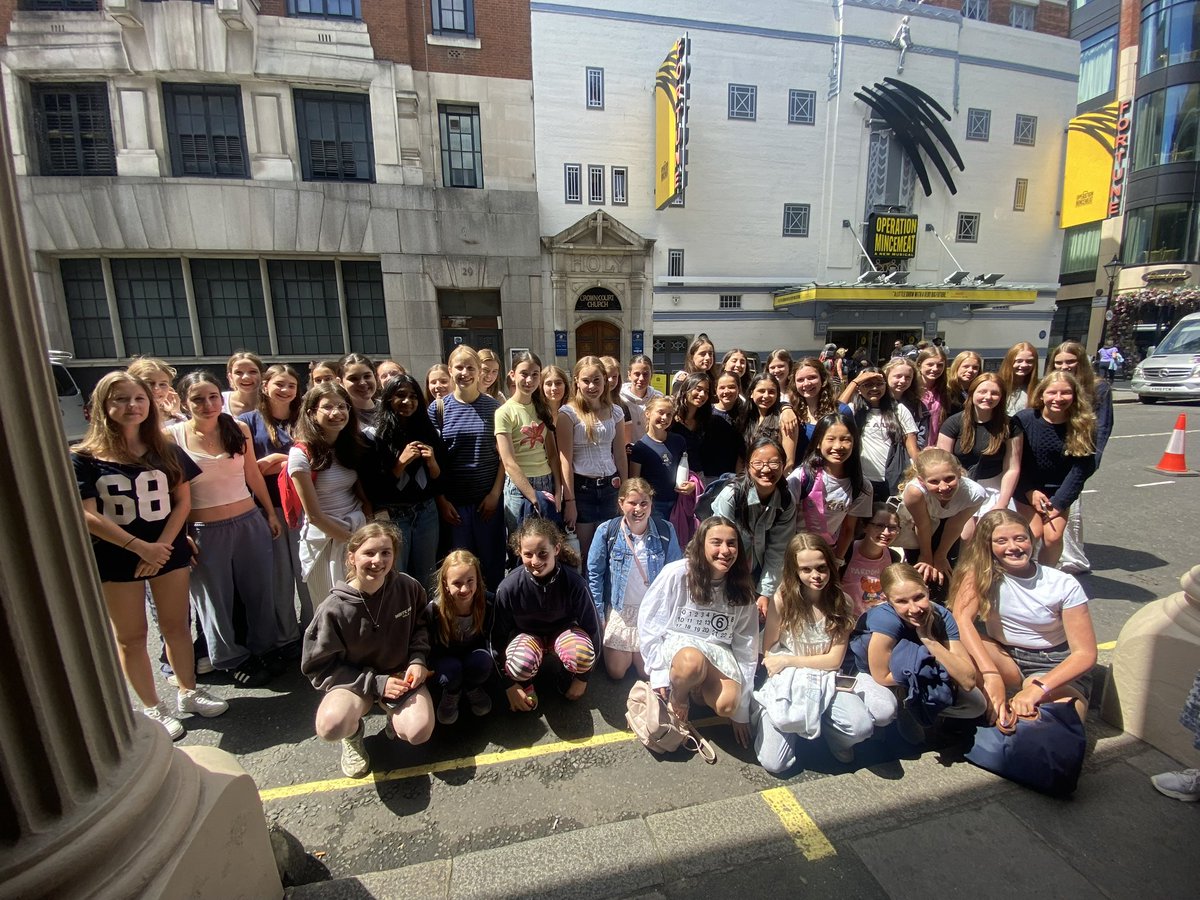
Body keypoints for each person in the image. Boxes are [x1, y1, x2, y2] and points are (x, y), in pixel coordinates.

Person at [73, 372, 226, 740]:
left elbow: (183, 501)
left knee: (176, 626)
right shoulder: (84, 458)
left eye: (138, 399)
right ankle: (152, 707)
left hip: (166, 551)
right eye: (120, 399)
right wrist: (139, 547)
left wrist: (161, 547)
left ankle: (188, 692)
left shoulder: (166, 450)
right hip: (117, 556)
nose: (132, 406)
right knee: (132, 636)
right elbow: (87, 513)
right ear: (103, 407)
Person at [168, 371, 283, 687]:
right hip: (205, 530)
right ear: (183, 401)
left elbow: (253, 476)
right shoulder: (173, 437)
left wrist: (269, 513)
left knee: (259, 591)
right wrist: (182, 534)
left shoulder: (238, 428)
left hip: (249, 522)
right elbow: (171, 493)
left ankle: (265, 648)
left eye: (213, 397)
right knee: (214, 599)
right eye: (198, 399)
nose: (207, 404)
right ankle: (229, 658)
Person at [302, 522, 433, 778]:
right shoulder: (333, 609)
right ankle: (352, 734)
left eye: (386, 552)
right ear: (351, 556)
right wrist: (377, 684)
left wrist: (418, 659)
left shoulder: (407, 587)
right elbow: (319, 666)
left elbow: (423, 626)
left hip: (400, 676)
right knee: (330, 726)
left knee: (418, 732)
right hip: (356, 683)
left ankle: (392, 715)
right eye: (369, 553)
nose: (378, 561)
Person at [949, 510, 1096, 736]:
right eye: (1001, 541)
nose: (1013, 547)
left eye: (1020, 538)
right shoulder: (980, 574)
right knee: (954, 651)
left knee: (1056, 727)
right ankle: (983, 709)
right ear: (987, 546)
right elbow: (961, 621)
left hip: (1052, 662)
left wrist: (1039, 688)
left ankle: (1016, 706)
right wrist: (991, 674)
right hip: (1005, 655)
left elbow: (1085, 654)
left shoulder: (1063, 584)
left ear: (1030, 539)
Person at [754, 533, 878, 771]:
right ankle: (767, 714)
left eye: (821, 568)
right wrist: (783, 664)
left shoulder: (842, 602)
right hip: (788, 680)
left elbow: (833, 661)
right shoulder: (782, 600)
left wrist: (789, 660)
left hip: (823, 677)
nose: (816, 576)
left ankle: (831, 735)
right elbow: (769, 651)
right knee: (775, 763)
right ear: (795, 571)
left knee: (861, 726)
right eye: (806, 570)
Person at [638, 516, 759, 747]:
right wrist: (659, 672)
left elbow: (747, 647)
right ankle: (679, 696)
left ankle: (697, 690)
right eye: (716, 542)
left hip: (717, 651)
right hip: (681, 645)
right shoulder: (677, 573)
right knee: (691, 662)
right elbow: (650, 621)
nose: (725, 550)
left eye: (731, 543)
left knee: (727, 705)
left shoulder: (742, 588)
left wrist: (742, 711)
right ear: (701, 543)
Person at [848, 563, 987, 743]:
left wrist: (928, 639)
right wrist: (923, 676)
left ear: (927, 591)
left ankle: (915, 708)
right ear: (888, 600)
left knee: (976, 704)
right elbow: (881, 676)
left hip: (919, 669)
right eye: (902, 602)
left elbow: (968, 680)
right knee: (883, 711)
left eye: (919, 597)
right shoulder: (886, 619)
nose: (914, 609)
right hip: (877, 675)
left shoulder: (942, 616)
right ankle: (900, 711)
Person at [492, 518, 601, 711]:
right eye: (528, 554)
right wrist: (509, 684)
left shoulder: (575, 583)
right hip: (527, 637)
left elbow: (594, 629)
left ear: (556, 549)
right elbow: (496, 638)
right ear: (519, 552)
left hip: (563, 633)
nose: (535, 561)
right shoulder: (508, 588)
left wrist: (583, 678)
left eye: (543, 554)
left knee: (582, 656)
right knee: (519, 664)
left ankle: (566, 676)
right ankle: (526, 681)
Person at [240, 364, 312, 645]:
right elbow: (249, 469)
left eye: (291, 386)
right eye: (279, 384)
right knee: (280, 576)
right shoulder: (247, 421)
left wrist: (279, 460)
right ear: (266, 385)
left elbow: (315, 457)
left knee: (306, 572)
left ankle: (311, 631)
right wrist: (291, 460)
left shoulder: (304, 418)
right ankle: (286, 637)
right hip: (268, 507)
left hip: (303, 504)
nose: (285, 390)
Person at [586, 478, 682, 679]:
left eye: (644, 503)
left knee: (646, 672)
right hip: (620, 610)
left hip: (651, 612)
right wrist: (599, 616)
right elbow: (594, 573)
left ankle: (636, 653)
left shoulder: (666, 531)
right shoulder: (606, 531)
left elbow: (676, 575)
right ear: (621, 504)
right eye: (632, 503)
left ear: (651, 504)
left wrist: (672, 616)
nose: (638, 509)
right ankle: (623, 651)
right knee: (617, 672)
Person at [288, 382, 368, 606]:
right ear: (312, 413)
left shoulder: (351, 446)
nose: (336, 413)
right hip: (324, 541)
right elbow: (314, 516)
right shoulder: (300, 454)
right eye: (328, 407)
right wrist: (355, 543)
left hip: (356, 530)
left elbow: (361, 494)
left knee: (361, 606)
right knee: (330, 608)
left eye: (342, 407)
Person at [367, 374, 446, 588]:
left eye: (413, 396)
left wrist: (432, 463)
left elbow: (439, 481)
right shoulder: (375, 436)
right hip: (394, 517)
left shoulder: (429, 432)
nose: (407, 401)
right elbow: (374, 489)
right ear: (388, 399)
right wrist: (399, 464)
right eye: (400, 396)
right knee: (395, 578)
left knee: (426, 576)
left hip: (426, 513)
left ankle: (424, 620)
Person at [706, 437, 796, 623]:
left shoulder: (786, 501)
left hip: (758, 570)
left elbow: (778, 550)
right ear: (747, 466)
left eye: (774, 463)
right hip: (726, 569)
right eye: (758, 463)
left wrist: (765, 592)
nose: (766, 469)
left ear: (783, 465)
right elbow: (718, 543)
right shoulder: (731, 496)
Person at [1013, 371, 1096, 567]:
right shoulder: (1024, 419)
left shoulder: (1083, 424)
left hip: (1058, 491)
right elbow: (1015, 461)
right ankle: (1019, 573)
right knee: (1033, 533)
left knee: (1052, 538)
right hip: (1027, 487)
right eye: (1052, 393)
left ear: (1075, 395)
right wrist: (1030, 492)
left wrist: (1059, 503)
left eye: (1065, 393)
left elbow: (1081, 469)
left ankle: (1047, 578)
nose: (1058, 399)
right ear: (1042, 394)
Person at [1047, 340, 1114, 574]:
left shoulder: (1098, 388)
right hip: (1051, 455)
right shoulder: (1050, 386)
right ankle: (1048, 552)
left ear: (1081, 362)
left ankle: (1074, 559)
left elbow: (1103, 428)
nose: (1064, 367)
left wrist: (1091, 464)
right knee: (1049, 508)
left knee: (1070, 507)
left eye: (1070, 362)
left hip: (1078, 456)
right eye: (1059, 363)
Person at [937, 372, 1022, 540]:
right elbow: (943, 464)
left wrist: (1002, 503)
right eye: (982, 392)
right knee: (966, 536)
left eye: (994, 393)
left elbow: (1012, 467)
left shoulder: (1011, 425)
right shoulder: (953, 423)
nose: (988, 397)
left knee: (989, 536)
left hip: (995, 488)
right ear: (972, 393)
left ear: (1001, 397)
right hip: (961, 487)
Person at [558, 355, 628, 560]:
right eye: (586, 380)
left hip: (610, 487)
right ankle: (586, 592)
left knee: (610, 550)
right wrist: (569, 501)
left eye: (597, 380)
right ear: (577, 382)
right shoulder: (568, 414)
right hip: (582, 489)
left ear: (605, 380)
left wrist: (625, 489)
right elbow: (565, 460)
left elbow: (620, 455)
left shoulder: (615, 412)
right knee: (585, 553)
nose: (591, 386)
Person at [894, 448, 987, 588]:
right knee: (922, 569)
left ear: (959, 473)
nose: (943, 487)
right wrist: (926, 556)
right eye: (934, 481)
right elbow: (922, 524)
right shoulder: (915, 492)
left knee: (945, 570)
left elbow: (955, 525)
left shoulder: (975, 494)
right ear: (921, 481)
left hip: (949, 524)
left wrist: (940, 555)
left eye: (949, 478)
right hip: (919, 525)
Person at [787, 412, 872, 562]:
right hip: (793, 552)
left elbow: (848, 529)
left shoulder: (861, 486)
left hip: (826, 555)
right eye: (831, 439)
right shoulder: (801, 477)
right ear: (819, 443)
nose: (838, 446)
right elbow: (785, 521)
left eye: (845, 440)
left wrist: (838, 560)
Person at [495, 350, 561, 534]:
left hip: (546, 482)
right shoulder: (504, 412)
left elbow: (553, 455)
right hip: (519, 488)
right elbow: (508, 461)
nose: (529, 380)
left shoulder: (543, 409)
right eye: (524, 374)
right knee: (520, 546)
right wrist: (533, 497)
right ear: (512, 374)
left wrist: (558, 490)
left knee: (546, 543)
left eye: (535, 375)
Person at [425, 549, 494, 725]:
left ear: (478, 579)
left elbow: (495, 638)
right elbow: (428, 647)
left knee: (483, 661)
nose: (464, 588)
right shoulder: (434, 610)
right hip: (447, 658)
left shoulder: (487, 603)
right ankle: (452, 692)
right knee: (451, 671)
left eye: (470, 581)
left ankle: (472, 687)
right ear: (445, 584)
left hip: (473, 654)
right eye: (457, 583)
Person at [840, 364, 919, 500]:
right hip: (861, 478)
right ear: (859, 389)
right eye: (868, 385)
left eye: (879, 384)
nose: (874, 388)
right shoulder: (853, 410)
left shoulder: (899, 410)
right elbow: (836, 411)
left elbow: (912, 447)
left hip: (892, 479)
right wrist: (855, 382)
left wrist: (920, 469)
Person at [629, 397, 689, 520]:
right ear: (648, 413)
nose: (665, 418)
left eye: (669, 414)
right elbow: (635, 480)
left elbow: (687, 469)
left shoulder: (679, 441)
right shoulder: (640, 447)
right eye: (660, 412)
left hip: (677, 503)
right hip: (653, 506)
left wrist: (691, 485)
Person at [842, 502, 904, 617]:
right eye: (879, 526)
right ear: (865, 526)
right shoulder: (846, 552)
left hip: (877, 621)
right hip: (847, 620)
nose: (886, 533)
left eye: (892, 527)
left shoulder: (894, 558)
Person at [743, 372, 800, 471]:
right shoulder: (747, 417)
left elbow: (789, 461)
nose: (766, 396)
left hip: (772, 478)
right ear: (752, 393)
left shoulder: (785, 418)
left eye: (771, 392)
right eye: (761, 391)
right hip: (746, 480)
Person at [790, 357, 852, 444]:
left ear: (823, 379)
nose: (806, 383)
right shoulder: (792, 411)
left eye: (812, 377)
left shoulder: (842, 410)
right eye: (800, 380)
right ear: (794, 384)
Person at [707, 371, 749, 482]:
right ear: (716, 390)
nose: (726, 391)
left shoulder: (746, 414)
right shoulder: (705, 412)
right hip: (706, 476)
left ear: (739, 389)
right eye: (722, 387)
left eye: (731, 387)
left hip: (733, 477)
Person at [127, 356, 186, 425]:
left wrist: (176, 412)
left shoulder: (177, 419)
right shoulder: (128, 418)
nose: (156, 389)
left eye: (162, 384)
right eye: (149, 383)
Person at [620, 354, 662, 443]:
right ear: (629, 375)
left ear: (651, 375)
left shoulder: (658, 398)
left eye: (645, 374)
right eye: (637, 374)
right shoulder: (620, 398)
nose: (641, 378)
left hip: (651, 451)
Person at [915, 348, 950, 449]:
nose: (935, 369)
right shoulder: (910, 391)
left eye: (940, 365)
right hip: (914, 449)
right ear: (919, 364)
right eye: (930, 364)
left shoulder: (945, 392)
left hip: (936, 449)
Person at [339, 353, 379, 431]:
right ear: (340, 382)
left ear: (375, 376)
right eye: (353, 378)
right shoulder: (341, 416)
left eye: (367, 376)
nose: (362, 383)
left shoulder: (390, 409)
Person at [999, 342, 1038, 415]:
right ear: (1009, 361)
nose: (1024, 365)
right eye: (1019, 361)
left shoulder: (1038, 389)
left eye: (1029, 361)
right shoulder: (997, 385)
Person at [223, 351, 262, 417]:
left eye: (252, 371)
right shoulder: (220, 402)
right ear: (230, 377)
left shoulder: (275, 402)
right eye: (238, 372)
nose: (246, 377)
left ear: (262, 375)